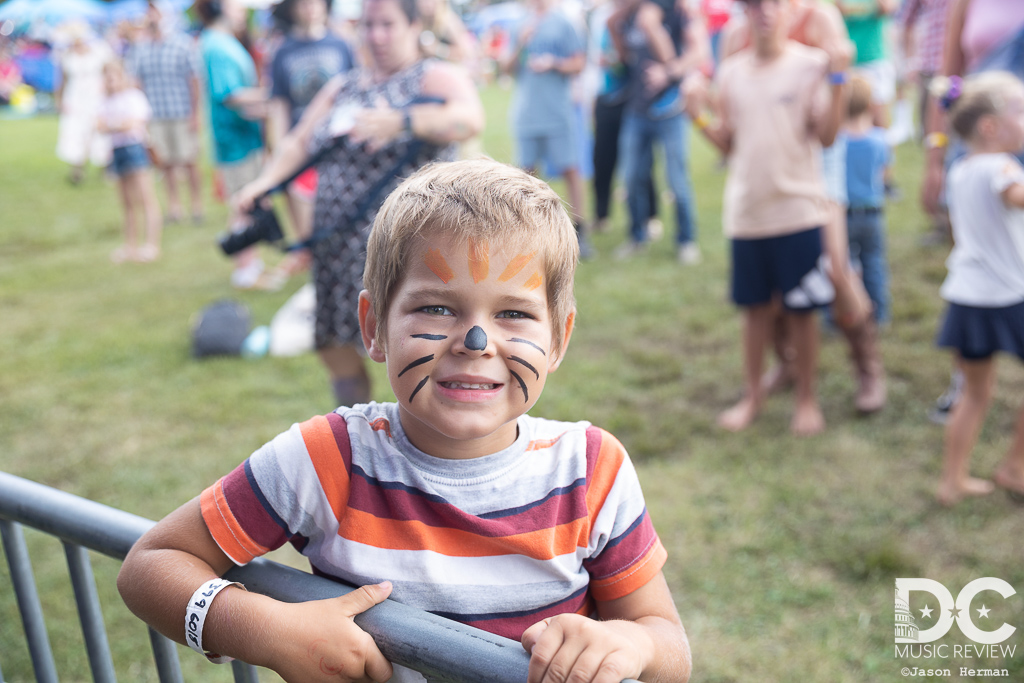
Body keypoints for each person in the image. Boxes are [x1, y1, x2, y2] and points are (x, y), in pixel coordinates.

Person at [117, 158, 693, 683]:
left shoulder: (592, 470)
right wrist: (268, 630)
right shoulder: (326, 459)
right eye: (436, 307)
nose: (476, 341)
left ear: (560, 338)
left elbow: (668, 646)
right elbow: (149, 566)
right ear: (372, 326)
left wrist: (626, 646)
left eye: (514, 313)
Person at [234, 0, 484, 408]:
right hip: (336, 246)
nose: (376, 35)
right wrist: (265, 182)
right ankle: (357, 430)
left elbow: (470, 118)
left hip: (409, 251)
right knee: (334, 343)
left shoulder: (432, 76)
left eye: (387, 24)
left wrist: (404, 122)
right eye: (368, 25)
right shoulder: (344, 86)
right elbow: (298, 141)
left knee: (420, 351)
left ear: (412, 25)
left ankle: (429, 438)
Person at [686, 0, 845, 435]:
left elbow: (828, 137)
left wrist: (839, 77)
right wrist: (697, 113)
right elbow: (728, 144)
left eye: (774, 3)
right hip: (748, 214)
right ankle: (753, 395)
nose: (765, 12)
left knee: (802, 312)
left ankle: (807, 399)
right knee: (753, 312)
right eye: (755, 5)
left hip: (798, 211)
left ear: (790, 11)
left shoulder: (812, 64)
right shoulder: (733, 71)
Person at [719, 0, 885, 415]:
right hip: (768, 156)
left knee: (836, 271)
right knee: (768, 289)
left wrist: (839, 72)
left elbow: (841, 85)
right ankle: (787, 364)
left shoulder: (820, 16)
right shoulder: (739, 33)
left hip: (818, 158)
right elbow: (733, 111)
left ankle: (868, 366)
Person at [920, 0, 1024, 424]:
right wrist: (935, 153)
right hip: (986, 139)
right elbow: (948, 81)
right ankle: (968, 380)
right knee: (976, 254)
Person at [930, 72, 1024, 506]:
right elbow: (1015, 195)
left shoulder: (961, 169)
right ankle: (1014, 467)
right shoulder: (1002, 168)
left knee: (974, 394)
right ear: (991, 126)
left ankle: (952, 480)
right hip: (1008, 297)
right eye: (1020, 112)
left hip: (967, 297)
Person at [265, 0, 357, 288]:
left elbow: (355, 90)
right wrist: (280, 146)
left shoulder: (341, 45)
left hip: (337, 145)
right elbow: (279, 103)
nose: (310, 8)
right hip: (302, 144)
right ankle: (312, 262)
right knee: (304, 209)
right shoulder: (282, 51)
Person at [608, 0, 709, 264]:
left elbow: (699, 52)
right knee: (630, 178)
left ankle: (686, 241)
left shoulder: (678, 10)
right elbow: (625, 59)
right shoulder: (628, 14)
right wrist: (614, 28)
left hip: (670, 110)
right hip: (637, 110)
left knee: (677, 179)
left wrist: (668, 71)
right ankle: (637, 236)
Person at [501, 0, 590, 251]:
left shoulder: (563, 22)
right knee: (526, 176)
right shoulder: (518, 24)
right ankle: (529, 233)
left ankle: (579, 231)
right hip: (527, 113)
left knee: (570, 168)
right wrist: (520, 42)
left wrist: (554, 63)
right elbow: (505, 68)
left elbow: (579, 63)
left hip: (557, 112)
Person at [195, 0, 269, 289]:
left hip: (244, 136)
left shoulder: (221, 41)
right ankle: (245, 270)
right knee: (243, 205)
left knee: (249, 203)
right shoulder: (216, 44)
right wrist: (270, 97)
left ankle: (252, 264)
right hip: (234, 140)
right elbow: (228, 93)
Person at [127, 1, 205, 225]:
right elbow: (136, 82)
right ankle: (174, 207)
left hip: (181, 112)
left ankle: (196, 206)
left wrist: (195, 113)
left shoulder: (182, 44)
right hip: (156, 115)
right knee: (166, 163)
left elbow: (194, 80)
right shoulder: (140, 48)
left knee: (189, 161)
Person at [97, 60, 163, 263]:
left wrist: (114, 125)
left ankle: (152, 244)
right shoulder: (105, 100)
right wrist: (119, 125)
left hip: (134, 148)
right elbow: (100, 125)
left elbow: (136, 122)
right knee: (126, 202)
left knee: (146, 198)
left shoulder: (133, 96)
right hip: (117, 150)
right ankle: (130, 245)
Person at [843, 75, 891, 326]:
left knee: (841, 266)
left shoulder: (836, 142)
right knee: (873, 263)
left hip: (844, 214)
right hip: (873, 212)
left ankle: (838, 315)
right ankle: (880, 314)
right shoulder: (879, 139)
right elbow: (883, 173)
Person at [54, 21, 113, 185]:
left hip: (96, 97)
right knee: (75, 132)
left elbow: (111, 72)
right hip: (74, 99)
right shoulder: (66, 55)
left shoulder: (100, 51)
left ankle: (106, 168)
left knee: (100, 131)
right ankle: (77, 170)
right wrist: (59, 100)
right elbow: (61, 80)